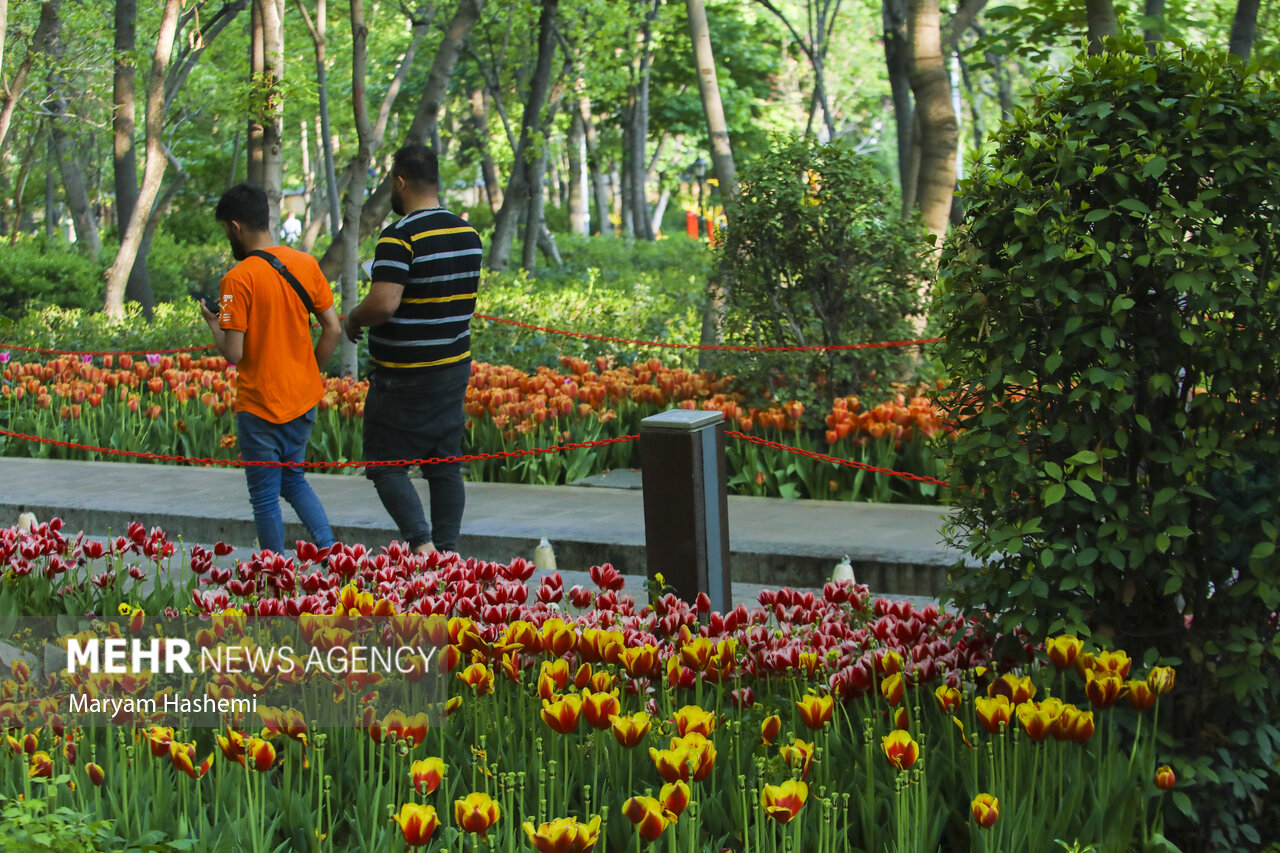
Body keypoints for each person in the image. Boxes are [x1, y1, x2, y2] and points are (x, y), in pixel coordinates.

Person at [342, 144, 482, 555]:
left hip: (403, 375)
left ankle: (421, 546)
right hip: (453, 368)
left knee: (385, 464)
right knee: (444, 463)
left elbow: (384, 303)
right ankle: (449, 552)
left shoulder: (399, 235)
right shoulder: (467, 234)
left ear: (399, 182)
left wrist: (352, 318)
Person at [200, 183, 342, 556]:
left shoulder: (236, 280)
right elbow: (334, 328)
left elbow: (234, 353)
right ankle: (331, 555)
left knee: (264, 497)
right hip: (302, 398)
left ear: (235, 227)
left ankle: (275, 576)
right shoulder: (306, 264)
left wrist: (215, 326)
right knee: (293, 480)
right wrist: (311, 371)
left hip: (260, 403)